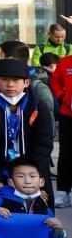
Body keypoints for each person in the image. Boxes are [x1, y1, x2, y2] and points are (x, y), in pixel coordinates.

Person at [0, 57, 55, 191]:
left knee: (37, 202)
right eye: (4, 79)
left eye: (16, 80)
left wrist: (34, 177)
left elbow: (43, 143)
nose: (10, 84)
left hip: (32, 168)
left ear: (26, 82)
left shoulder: (37, 105)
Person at [49, 48, 72, 208]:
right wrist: (62, 96)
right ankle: (63, 192)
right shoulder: (65, 62)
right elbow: (55, 81)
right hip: (68, 116)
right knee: (66, 154)